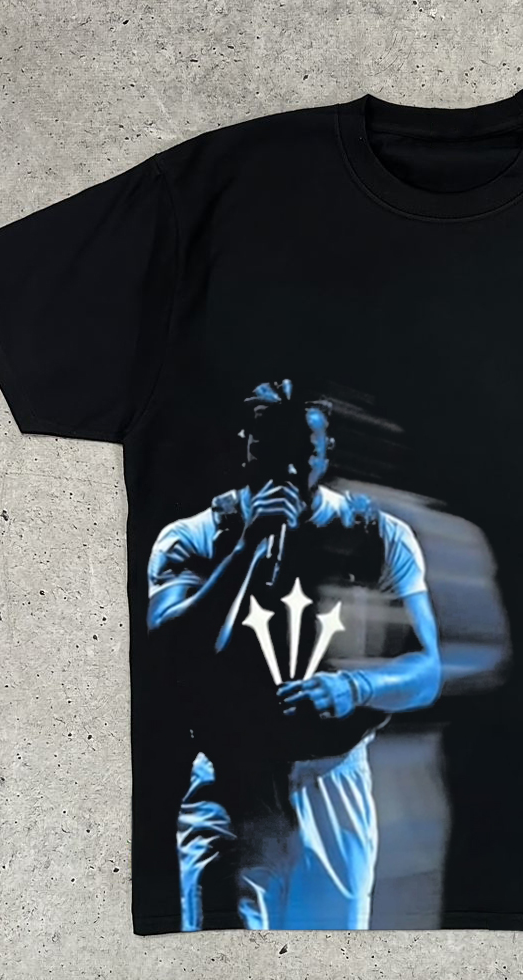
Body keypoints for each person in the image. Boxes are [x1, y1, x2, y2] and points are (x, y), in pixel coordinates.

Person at [147, 379, 442, 930]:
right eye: (270, 447)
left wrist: (353, 688)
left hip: (332, 779)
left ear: (326, 452)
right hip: (231, 779)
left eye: (301, 450)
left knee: (329, 963)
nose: (285, 466)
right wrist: (246, 548)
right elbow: (167, 654)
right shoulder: (195, 537)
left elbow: (427, 672)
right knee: (220, 960)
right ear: (246, 446)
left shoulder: (380, 536)